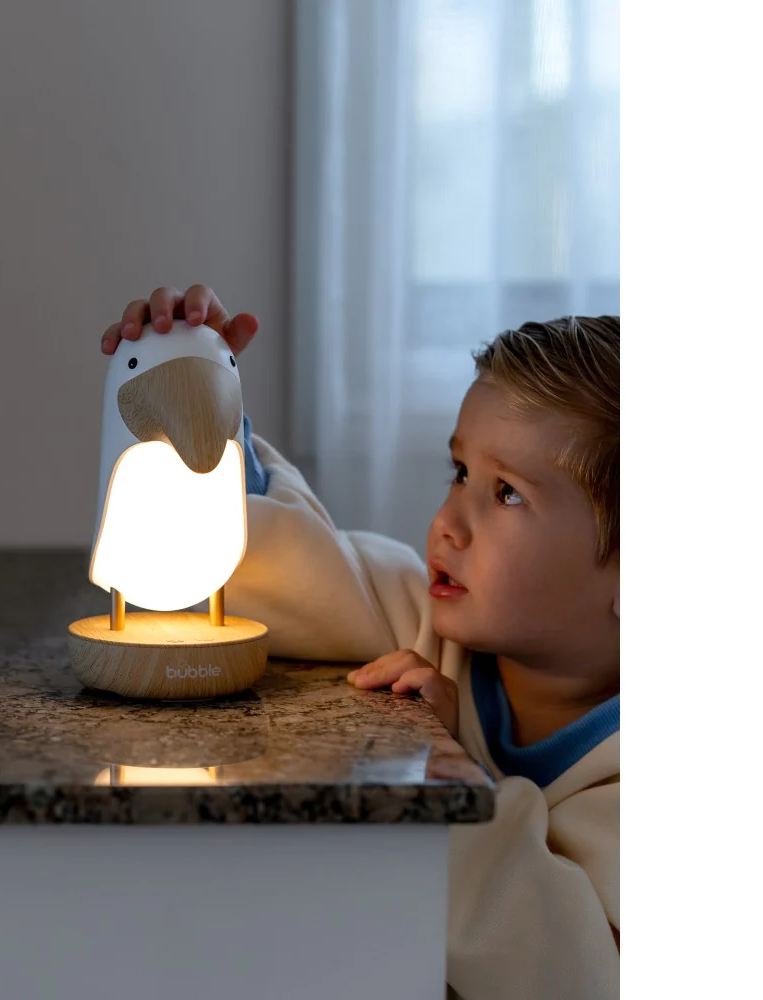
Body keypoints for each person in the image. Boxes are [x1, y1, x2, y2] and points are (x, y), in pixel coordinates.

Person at [102, 284, 620, 1000]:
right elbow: (295, 572)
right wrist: (200, 402)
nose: (447, 522)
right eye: (461, 472)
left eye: (507, 493)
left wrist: (456, 782)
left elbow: (573, 974)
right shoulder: (426, 620)